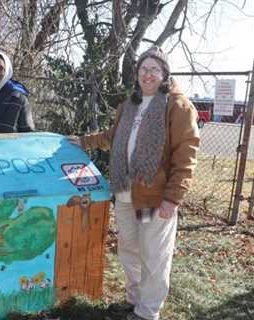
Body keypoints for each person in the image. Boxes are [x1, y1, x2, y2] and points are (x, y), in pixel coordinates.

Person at [70, 47, 199, 320]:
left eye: (154, 69)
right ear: (137, 74)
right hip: (125, 193)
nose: (148, 74)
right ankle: (135, 300)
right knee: (129, 249)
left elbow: (186, 157)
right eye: (143, 69)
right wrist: (85, 142)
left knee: (154, 256)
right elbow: (113, 137)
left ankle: (148, 312)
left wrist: (172, 198)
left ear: (164, 74)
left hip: (154, 195)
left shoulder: (177, 106)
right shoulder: (130, 105)